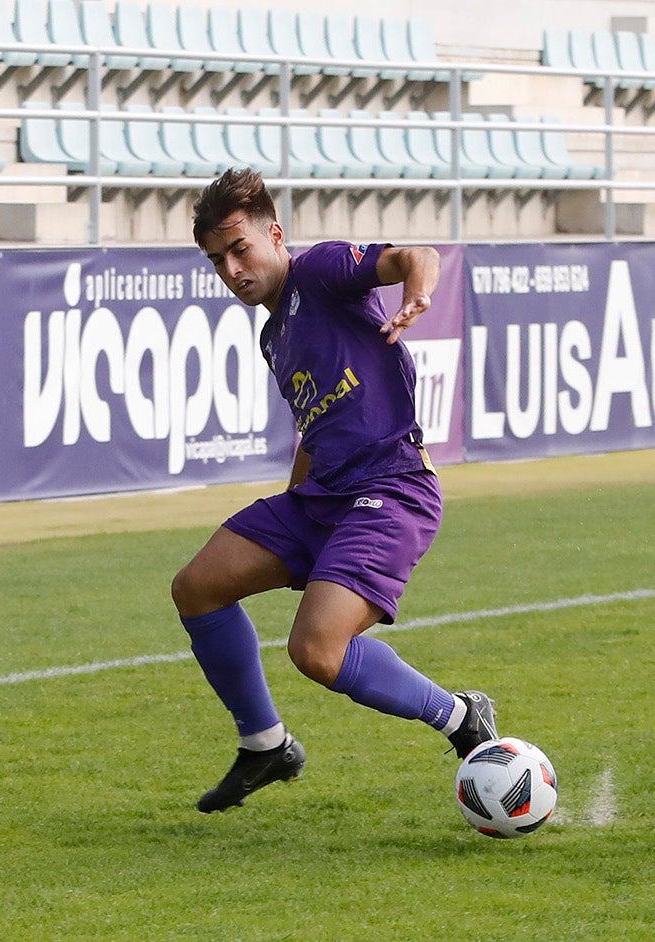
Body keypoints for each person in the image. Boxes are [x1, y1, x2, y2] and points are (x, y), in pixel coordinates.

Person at [172, 168, 498, 814]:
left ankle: (462, 717)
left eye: (240, 249)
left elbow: (417, 257)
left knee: (317, 651)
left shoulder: (319, 272)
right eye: (217, 261)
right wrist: (291, 512)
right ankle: (265, 743)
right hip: (322, 497)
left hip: (391, 489)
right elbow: (316, 427)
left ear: (275, 233)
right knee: (198, 586)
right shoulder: (275, 336)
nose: (232, 269)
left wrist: (419, 295)